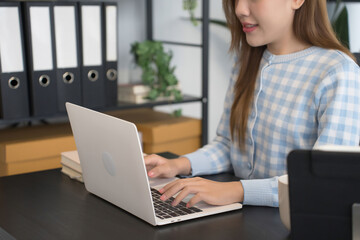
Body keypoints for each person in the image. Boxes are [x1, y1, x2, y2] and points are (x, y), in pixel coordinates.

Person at [145, 0, 360, 208]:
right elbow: (229, 146)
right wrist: (178, 164)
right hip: (242, 214)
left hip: (289, 222)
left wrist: (236, 191)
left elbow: (322, 182)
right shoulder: (246, 62)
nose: (239, 9)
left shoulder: (337, 72)